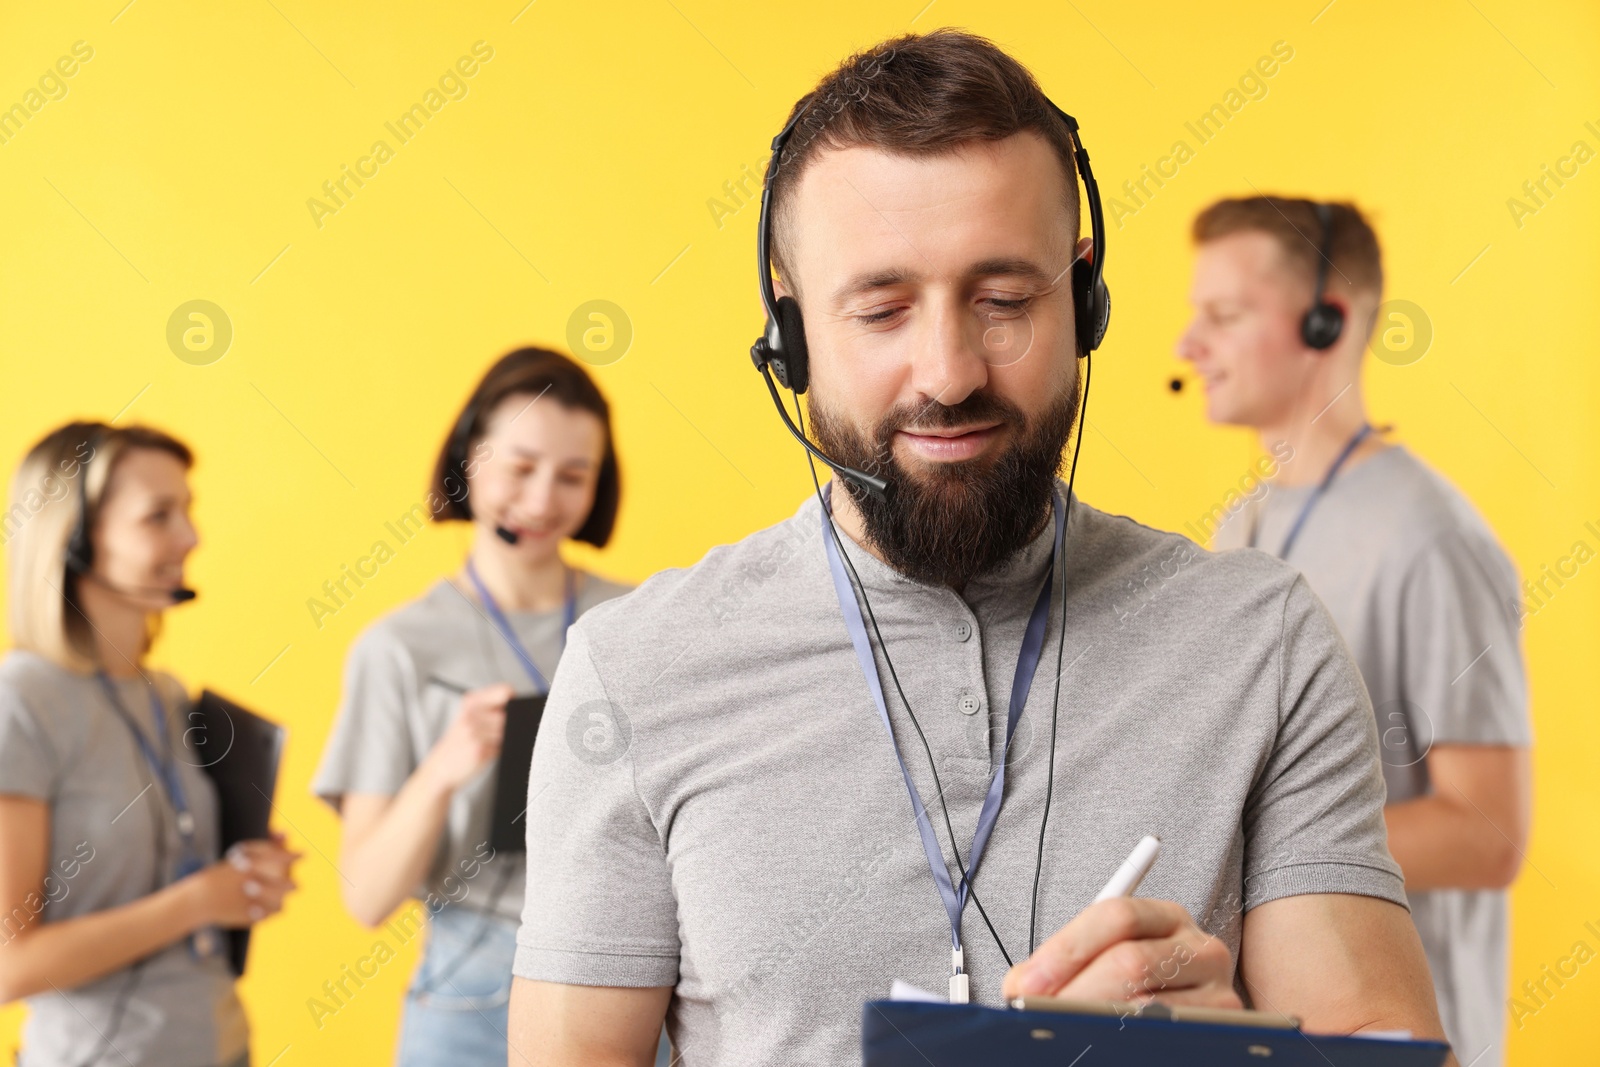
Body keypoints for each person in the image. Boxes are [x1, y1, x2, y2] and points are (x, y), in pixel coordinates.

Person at [508, 30, 1454, 1067]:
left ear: (1085, 298)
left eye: (1005, 301)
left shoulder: (1262, 641)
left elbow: (1384, 1042)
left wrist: (1231, 1051)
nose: (949, 370)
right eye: (880, 308)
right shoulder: (635, 672)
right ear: (789, 332)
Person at [1177, 195, 1533, 1066]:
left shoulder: (1429, 536)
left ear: (1325, 322)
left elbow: (1490, 832)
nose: (1189, 346)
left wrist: (1254, 846)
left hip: (1401, 1037)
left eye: (1224, 317)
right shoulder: (1243, 524)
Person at [311, 348, 637, 1067]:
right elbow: (365, 896)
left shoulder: (637, 622)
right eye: (520, 467)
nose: (544, 499)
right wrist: (442, 770)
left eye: (574, 476)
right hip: (468, 994)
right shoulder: (397, 648)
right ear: (469, 457)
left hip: (625, 981)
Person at [0, 421, 300, 1067]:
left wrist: (244, 878)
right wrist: (198, 899)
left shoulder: (163, 693)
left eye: (187, 510)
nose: (191, 537)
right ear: (75, 541)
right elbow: (8, 964)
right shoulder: (21, 702)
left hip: (219, 1046)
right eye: (158, 516)